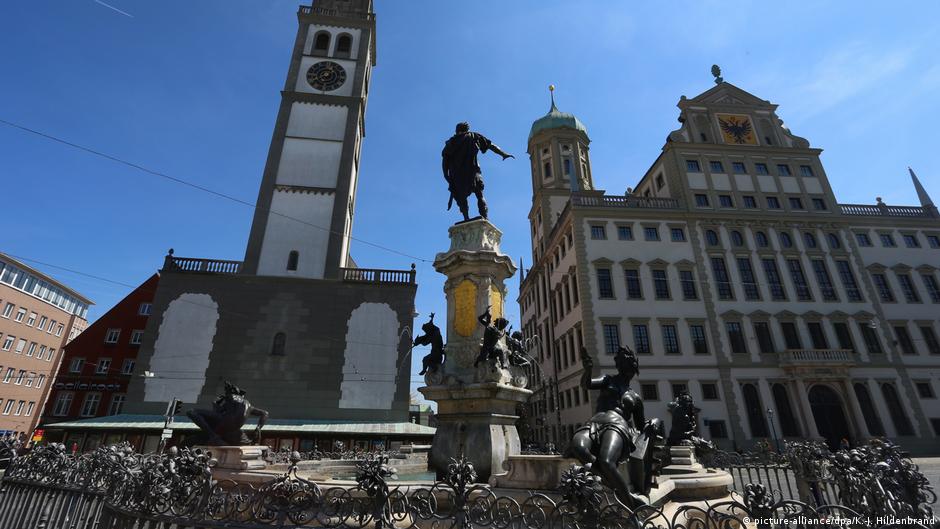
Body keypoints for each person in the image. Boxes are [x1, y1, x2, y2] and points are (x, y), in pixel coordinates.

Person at [569, 346, 664, 508]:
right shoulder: (608, 380)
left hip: (617, 426)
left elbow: (641, 427)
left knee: (606, 461)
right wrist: (588, 370)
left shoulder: (635, 398)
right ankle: (619, 488)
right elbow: (587, 384)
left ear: (634, 369)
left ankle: (629, 505)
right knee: (578, 447)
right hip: (594, 422)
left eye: (630, 366)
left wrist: (654, 422)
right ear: (620, 366)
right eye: (623, 364)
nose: (628, 369)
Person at [441, 122, 513, 222]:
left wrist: (446, 175)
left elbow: (445, 161)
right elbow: (491, 145)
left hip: (457, 175)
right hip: (473, 171)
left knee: (462, 198)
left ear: (456, 130)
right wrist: (503, 154)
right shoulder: (473, 136)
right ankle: (485, 217)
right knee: (479, 194)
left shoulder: (450, 143)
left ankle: (466, 218)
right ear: (467, 129)